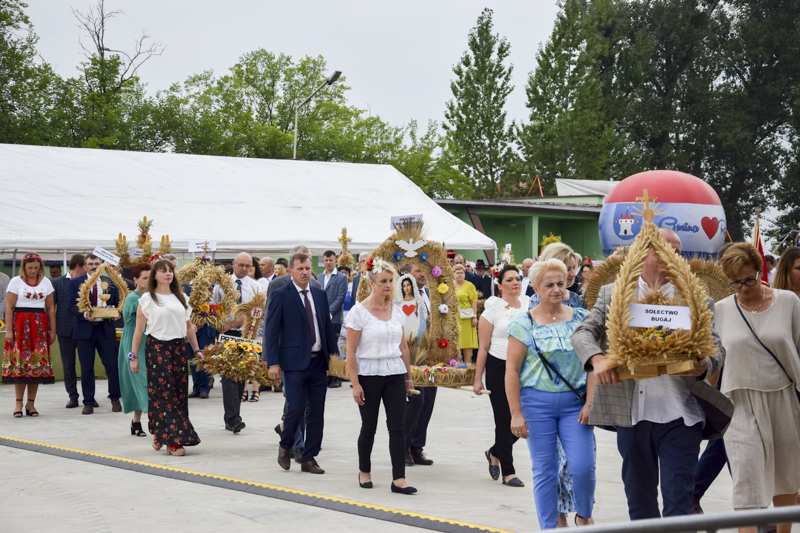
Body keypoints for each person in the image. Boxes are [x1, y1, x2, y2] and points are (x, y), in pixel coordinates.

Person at [571, 228, 732, 521]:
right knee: (640, 504)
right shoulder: (614, 294)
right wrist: (598, 359)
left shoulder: (696, 298)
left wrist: (705, 363)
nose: (672, 257)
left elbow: (718, 348)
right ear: (642, 254)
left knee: (678, 504)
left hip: (682, 416)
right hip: (632, 417)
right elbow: (583, 332)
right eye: (663, 249)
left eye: (677, 250)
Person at [716, 243, 800, 533]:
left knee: (786, 478)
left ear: (760, 271)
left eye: (749, 279)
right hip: (739, 404)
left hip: (785, 398)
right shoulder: (721, 310)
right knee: (746, 479)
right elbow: (716, 360)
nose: (743, 287)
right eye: (736, 282)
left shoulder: (788, 301)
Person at [506, 259, 596, 529]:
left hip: (574, 405)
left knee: (583, 467)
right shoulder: (523, 324)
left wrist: (590, 402)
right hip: (536, 405)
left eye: (561, 283)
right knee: (545, 471)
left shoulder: (582, 319)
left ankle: (583, 514)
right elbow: (511, 371)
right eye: (549, 285)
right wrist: (516, 414)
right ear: (535, 288)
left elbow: (592, 364)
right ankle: (549, 527)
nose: (556, 289)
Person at [345, 259, 417, 494]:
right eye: (383, 281)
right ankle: (364, 471)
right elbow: (351, 351)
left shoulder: (396, 310)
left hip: (395, 373)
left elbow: (403, 347)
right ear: (371, 283)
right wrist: (355, 384)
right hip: (368, 375)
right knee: (369, 426)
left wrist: (408, 378)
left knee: (398, 427)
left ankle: (399, 478)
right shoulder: (359, 312)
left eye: (391, 281)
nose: (388, 285)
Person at [264, 252, 338, 474]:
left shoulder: (320, 294)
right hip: (294, 363)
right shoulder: (280, 295)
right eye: (300, 269)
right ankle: (285, 445)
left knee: (316, 412)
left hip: (318, 363)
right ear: (290, 272)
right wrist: (273, 363)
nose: (305, 272)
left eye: (307, 268)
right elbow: (271, 330)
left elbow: (326, 328)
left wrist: (333, 359)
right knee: (295, 408)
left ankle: (309, 458)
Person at [131, 259, 201, 456]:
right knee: (164, 394)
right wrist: (133, 356)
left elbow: (188, 327)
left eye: (170, 270)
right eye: (163, 271)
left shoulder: (181, 297)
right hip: (157, 349)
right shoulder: (146, 300)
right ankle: (174, 440)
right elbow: (138, 330)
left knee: (179, 393)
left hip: (179, 349)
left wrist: (196, 350)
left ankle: (161, 433)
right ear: (155, 275)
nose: (168, 274)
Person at [473, 264, 530, 487]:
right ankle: (509, 471)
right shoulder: (491, 311)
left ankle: (495, 451)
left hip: (525, 367)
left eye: (517, 278)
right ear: (500, 285)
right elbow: (483, 348)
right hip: (498, 368)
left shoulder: (529, 305)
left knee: (528, 419)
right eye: (509, 279)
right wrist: (478, 378)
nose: (515, 282)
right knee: (504, 420)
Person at [68, 254, 122, 415]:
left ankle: (115, 398)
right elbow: (70, 306)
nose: (93, 266)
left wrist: (117, 313)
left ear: (102, 266)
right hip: (84, 330)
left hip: (106, 329)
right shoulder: (75, 283)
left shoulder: (111, 283)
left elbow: (118, 303)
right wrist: (85, 315)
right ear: (85, 266)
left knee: (112, 365)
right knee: (86, 368)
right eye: (90, 264)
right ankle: (88, 402)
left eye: (96, 264)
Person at [3, 253, 56, 417]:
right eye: (30, 267)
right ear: (24, 267)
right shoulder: (15, 281)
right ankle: (18, 404)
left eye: (36, 267)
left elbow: (50, 309)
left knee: (36, 367)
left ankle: (31, 405)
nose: (33, 271)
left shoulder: (46, 282)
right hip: (20, 325)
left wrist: (52, 330)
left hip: (39, 327)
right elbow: (9, 308)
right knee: (21, 366)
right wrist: (9, 330)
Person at [214, 252, 261, 423]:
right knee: (228, 375)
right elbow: (214, 306)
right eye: (241, 265)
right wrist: (218, 323)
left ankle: (235, 414)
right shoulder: (221, 285)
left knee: (241, 375)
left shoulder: (255, 286)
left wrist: (232, 324)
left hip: (246, 333)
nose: (244, 269)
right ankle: (232, 418)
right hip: (226, 335)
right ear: (233, 264)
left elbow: (256, 312)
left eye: (248, 266)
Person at [401, 262, 436, 466]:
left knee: (428, 401)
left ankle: (417, 447)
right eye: (418, 271)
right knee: (415, 400)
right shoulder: (400, 298)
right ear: (406, 275)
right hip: (411, 355)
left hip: (431, 356)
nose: (423, 274)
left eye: (424, 270)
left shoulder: (430, 293)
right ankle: (403, 445)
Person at [117, 262, 151, 437]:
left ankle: (136, 422)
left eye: (150, 277)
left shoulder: (154, 296)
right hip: (133, 341)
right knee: (141, 381)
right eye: (144, 277)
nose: (147, 280)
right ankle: (153, 419)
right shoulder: (133, 298)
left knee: (146, 383)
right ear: (135, 279)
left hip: (150, 341)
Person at [51, 254, 86, 408]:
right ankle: (72, 396)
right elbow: (51, 307)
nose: (89, 269)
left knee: (86, 364)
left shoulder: (88, 282)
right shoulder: (57, 283)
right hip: (64, 329)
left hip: (85, 328)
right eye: (86, 266)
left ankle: (88, 397)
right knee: (68, 364)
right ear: (79, 266)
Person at [321, 250, 348, 389]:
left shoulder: (341, 278)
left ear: (335, 261)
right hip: (320, 318)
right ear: (323, 261)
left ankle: (336, 376)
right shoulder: (319, 277)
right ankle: (326, 374)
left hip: (334, 318)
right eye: (326, 260)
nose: (328, 262)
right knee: (323, 347)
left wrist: (328, 312)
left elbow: (340, 298)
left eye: (331, 260)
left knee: (333, 346)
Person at [530, 243, 582, 310]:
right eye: (567, 269)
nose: (573, 274)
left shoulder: (575, 298)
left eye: (574, 268)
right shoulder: (537, 300)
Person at [454, 264, 478, 364]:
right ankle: (457, 363)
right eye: (457, 272)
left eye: (462, 273)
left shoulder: (469, 285)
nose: (459, 275)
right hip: (455, 317)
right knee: (457, 341)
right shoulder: (451, 285)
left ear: (465, 274)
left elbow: (474, 302)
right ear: (453, 274)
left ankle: (467, 363)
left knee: (467, 341)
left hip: (467, 317)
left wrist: (474, 317)